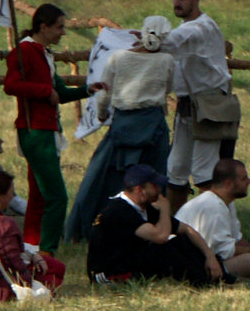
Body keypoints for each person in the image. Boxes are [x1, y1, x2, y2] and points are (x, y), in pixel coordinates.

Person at [65, 17, 175, 244]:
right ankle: (153, 227)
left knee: (101, 178)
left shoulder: (119, 58)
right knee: (154, 179)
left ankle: (86, 227)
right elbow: (168, 87)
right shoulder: (166, 60)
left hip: (124, 124)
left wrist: (102, 114)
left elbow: (105, 93)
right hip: (153, 125)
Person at [4, 3, 89, 254]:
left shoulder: (43, 53)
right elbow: (11, 85)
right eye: (59, 27)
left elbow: (60, 93)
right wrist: (44, 91)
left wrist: (90, 89)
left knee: (39, 196)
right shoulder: (24, 52)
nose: (63, 32)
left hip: (46, 130)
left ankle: (30, 248)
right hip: (35, 131)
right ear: (44, 27)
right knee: (57, 196)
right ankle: (47, 251)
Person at [161, 0, 236, 211]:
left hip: (209, 105)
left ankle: (215, 224)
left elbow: (174, 41)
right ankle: (174, 226)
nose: (177, 3)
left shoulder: (203, 28)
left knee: (205, 171)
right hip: (189, 106)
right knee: (176, 169)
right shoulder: (186, 29)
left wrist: (148, 41)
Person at [87, 165, 220, 286]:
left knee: (181, 240)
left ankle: (215, 275)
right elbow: (161, 237)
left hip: (129, 262)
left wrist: (210, 256)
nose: (159, 190)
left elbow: (186, 229)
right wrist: (165, 209)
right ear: (140, 190)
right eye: (155, 186)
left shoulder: (144, 207)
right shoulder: (119, 210)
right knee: (164, 251)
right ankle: (202, 283)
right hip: (109, 274)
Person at [0, 170, 66, 302]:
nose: (12, 197)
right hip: (6, 288)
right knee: (54, 268)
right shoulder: (6, 223)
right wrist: (27, 281)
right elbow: (15, 259)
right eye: (11, 193)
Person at [176, 159, 250, 281]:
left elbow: (237, 239)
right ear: (229, 184)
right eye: (244, 179)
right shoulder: (213, 206)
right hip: (190, 263)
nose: (249, 182)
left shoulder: (226, 203)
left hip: (202, 258)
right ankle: (223, 278)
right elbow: (223, 251)